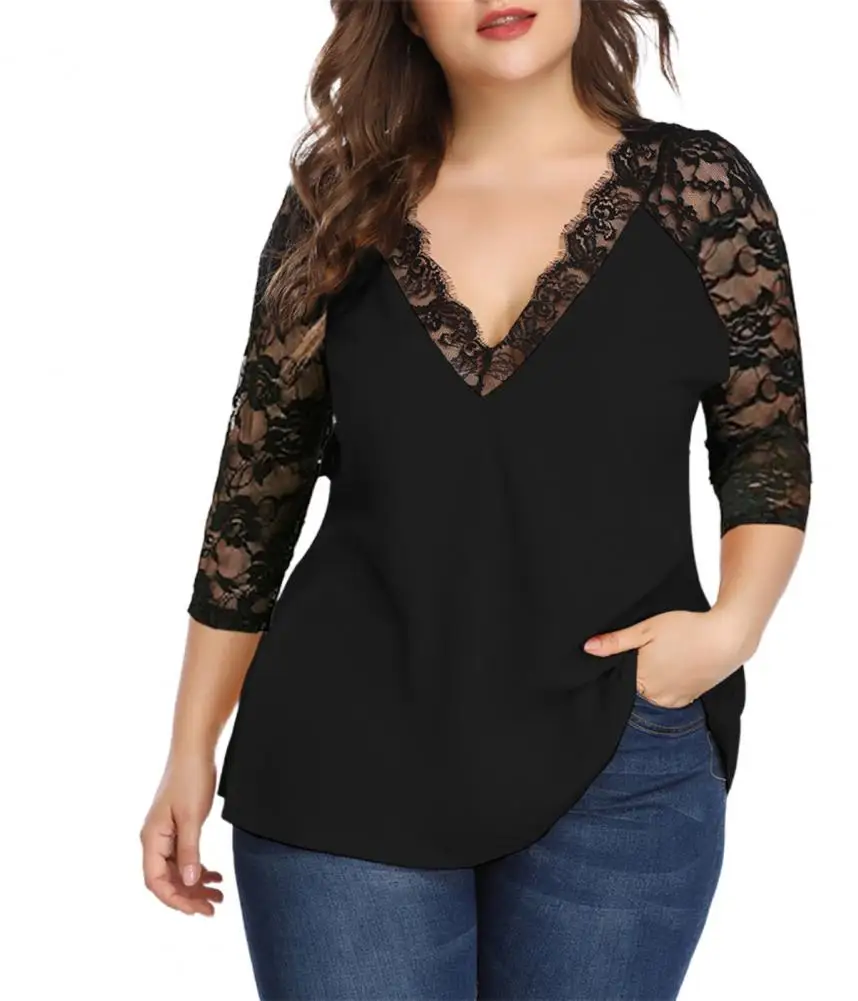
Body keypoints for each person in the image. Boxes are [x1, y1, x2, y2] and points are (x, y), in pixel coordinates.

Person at [140, 1, 811, 997]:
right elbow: (255, 489)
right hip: (343, 746)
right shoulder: (338, 203)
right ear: (406, 15)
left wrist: (731, 629)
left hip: (619, 752)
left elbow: (763, 444)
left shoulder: (701, 190)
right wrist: (189, 747)